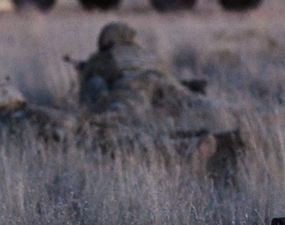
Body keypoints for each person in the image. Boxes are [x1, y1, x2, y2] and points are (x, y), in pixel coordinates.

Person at [75, 22, 244, 177]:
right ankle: (244, 121)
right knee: (206, 105)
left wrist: (97, 101)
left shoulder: (103, 58)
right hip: (165, 83)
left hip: (133, 86)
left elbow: (93, 88)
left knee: (115, 121)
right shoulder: (146, 54)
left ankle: (183, 147)